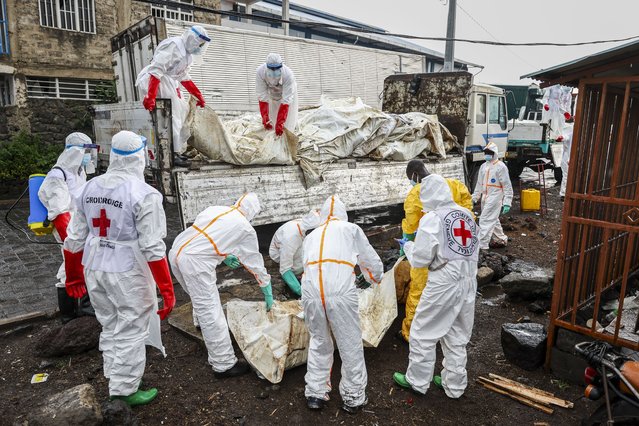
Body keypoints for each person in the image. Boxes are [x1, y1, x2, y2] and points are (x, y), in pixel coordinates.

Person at [63, 131, 175, 407]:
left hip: (94, 266)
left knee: (110, 324)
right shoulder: (144, 194)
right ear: (140, 158)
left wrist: (73, 275)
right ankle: (124, 391)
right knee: (132, 328)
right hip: (127, 270)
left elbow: (74, 237)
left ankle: (116, 377)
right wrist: (167, 288)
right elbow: (152, 246)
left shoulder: (89, 188)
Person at [393, 174, 479, 399]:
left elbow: (421, 259)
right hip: (469, 280)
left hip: (444, 282)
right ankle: (454, 385)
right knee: (457, 335)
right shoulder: (466, 214)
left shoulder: (433, 218)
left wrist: (409, 246)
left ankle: (417, 381)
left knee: (422, 332)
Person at [168, 193, 272, 378]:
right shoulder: (244, 227)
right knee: (211, 311)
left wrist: (224, 255)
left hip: (177, 250)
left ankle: (199, 322)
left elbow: (210, 235)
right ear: (253, 212)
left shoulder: (216, 209)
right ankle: (223, 364)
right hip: (195, 261)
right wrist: (266, 285)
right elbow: (254, 261)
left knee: (198, 296)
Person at [302, 195, 383, 414]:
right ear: (342, 213)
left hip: (310, 292)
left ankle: (315, 394)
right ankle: (353, 397)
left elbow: (305, 265)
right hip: (339, 291)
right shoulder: (350, 229)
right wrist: (373, 278)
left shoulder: (311, 236)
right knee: (349, 343)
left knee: (319, 340)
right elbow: (371, 262)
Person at [397, 159, 473, 343]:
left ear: (414, 176)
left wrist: (406, 244)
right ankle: (445, 335)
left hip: (431, 251)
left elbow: (411, 227)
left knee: (418, 291)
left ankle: (409, 333)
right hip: (460, 253)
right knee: (458, 322)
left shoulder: (417, 193)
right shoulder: (456, 185)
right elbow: (468, 212)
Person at [39, 132, 95, 322]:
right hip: (68, 229)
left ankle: (73, 313)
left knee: (74, 265)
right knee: (77, 263)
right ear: (76, 152)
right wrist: (72, 242)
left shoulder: (79, 171)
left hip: (78, 227)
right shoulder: (57, 175)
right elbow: (60, 213)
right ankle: (74, 314)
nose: (89, 155)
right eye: (86, 151)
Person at [136, 25, 211, 167]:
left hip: (167, 80)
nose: (200, 47)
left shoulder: (187, 55)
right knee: (172, 116)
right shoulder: (174, 45)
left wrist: (198, 95)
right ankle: (170, 154)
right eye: (200, 44)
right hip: (156, 80)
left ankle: (175, 151)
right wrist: (151, 96)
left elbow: (183, 76)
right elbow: (156, 70)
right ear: (192, 39)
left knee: (182, 111)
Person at [269, 209, 321, 296]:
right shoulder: (291, 238)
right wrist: (300, 292)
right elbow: (285, 269)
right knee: (300, 265)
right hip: (278, 253)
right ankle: (296, 280)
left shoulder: (307, 226)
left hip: (297, 243)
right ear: (309, 231)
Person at [472, 141, 513, 250]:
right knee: (492, 219)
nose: (487, 155)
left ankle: (482, 245)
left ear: (494, 153)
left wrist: (507, 202)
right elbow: (479, 184)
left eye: (489, 152)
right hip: (485, 197)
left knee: (485, 220)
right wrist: (475, 197)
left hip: (495, 197)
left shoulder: (501, 167)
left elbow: (507, 186)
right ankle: (501, 239)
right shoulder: (483, 166)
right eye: (486, 152)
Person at [256, 53, 298, 136]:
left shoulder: (288, 75)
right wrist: (265, 116)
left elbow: (286, 100)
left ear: (281, 67)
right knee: (272, 119)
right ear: (267, 67)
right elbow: (262, 95)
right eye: (271, 68)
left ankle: (288, 132)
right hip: (272, 94)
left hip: (286, 95)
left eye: (276, 69)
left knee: (288, 122)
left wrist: (280, 122)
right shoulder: (260, 72)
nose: (274, 71)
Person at [559, 125, 574, 201]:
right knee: (566, 176)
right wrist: (561, 138)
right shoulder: (570, 131)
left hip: (569, 157)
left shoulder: (572, 132)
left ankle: (567, 193)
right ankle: (563, 194)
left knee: (568, 176)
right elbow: (565, 137)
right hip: (567, 157)